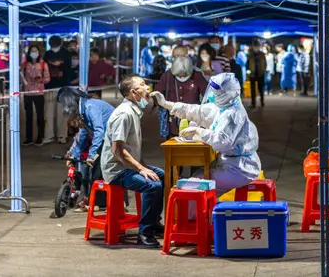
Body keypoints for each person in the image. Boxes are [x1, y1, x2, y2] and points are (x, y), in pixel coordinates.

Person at [152, 72, 261, 197]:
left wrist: (199, 131)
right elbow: (196, 111)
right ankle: (200, 214)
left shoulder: (232, 114)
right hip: (230, 163)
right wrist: (166, 104)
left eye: (216, 92)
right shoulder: (224, 107)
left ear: (226, 93)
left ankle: (196, 216)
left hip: (240, 169)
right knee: (196, 178)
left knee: (192, 185)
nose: (212, 94)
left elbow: (221, 142)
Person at [101, 76, 164, 248]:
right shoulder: (124, 114)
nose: (147, 87)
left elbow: (133, 149)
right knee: (153, 185)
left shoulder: (135, 110)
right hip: (117, 169)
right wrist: (141, 169)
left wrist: (143, 167)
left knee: (161, 175)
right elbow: (118, 150)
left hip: (128, 165)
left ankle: (154, 222)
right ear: (133, 93)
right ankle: (144, 233)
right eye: (143, 85)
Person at [61, 87, 115, 209]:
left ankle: (101, 204)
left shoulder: (90, 107)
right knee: (96, 172)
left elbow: (99, 131)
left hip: (112, 139)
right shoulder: (83, 109)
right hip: (107, 139)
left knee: (99, 173)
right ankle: (98, 202)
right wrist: (74, 155)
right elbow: (84, 134)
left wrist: (91, 155)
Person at [154, 46, 207, 138]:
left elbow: (208, 94)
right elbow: (157, 94)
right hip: (173, 122)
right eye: (178, 75)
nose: (181, 77)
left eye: (184, 75)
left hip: (194, 121)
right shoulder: (167, 76)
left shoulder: (197, 75)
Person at [20, 44, 51, 146]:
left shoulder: (43, 64)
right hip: (27, 93)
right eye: (32, 51)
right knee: (28, 116)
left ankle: (40, 137)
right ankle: (28, 138)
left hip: (39, 93)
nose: (34, 53)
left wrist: (41, 79)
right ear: (29, 53)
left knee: (40, 116)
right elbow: (21, 77)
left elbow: (47, 79)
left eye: (36, 51)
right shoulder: (24, 64)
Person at [44, 35, 71, 144]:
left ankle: (62, 135)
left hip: (63, 87)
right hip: (49, 87)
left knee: (62, 113)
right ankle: (49, 135)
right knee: (49, 113)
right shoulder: (48, 54)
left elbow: (69, 69)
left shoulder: (66, 53)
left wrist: (60, 68)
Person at [247, 40, 267, 108]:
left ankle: (262, 102)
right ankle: (253, 103)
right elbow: (248, 63)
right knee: (252, 89)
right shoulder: (250, 54)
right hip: (253, 74)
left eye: (257, 46)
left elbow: (265, 63)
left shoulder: (262, 54)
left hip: (260, 73)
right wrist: (248, 72)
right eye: (255, 46)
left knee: (261, 88)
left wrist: (264, 70)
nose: (256, 47)